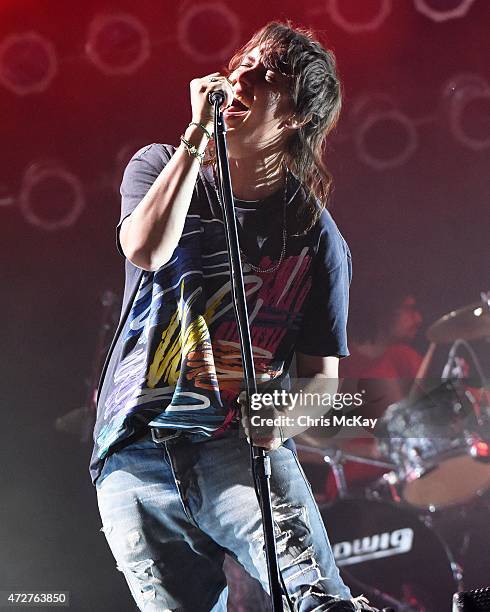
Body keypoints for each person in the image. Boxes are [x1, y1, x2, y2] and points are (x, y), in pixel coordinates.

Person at [90, 22, 382, 612]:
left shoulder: (314, 237)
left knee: (315, 596)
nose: (239, 76)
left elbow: (323, 377)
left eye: (266, 73)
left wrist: (280, 417)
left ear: (297, 115)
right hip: (135, 445)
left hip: (233, 442)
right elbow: (146, 248)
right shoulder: (160, 166)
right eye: (240, 62)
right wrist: (198, 133)